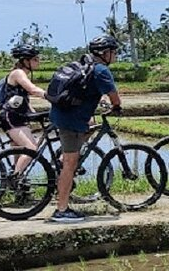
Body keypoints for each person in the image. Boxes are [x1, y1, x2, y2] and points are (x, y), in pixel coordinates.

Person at [49, 35, 121, 223]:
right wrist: (116, 107)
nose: (116, 55)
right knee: (70, 165)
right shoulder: (102, 70)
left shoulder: (86, 64)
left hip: (63, 115)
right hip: (70, 120)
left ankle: (61, 160)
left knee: (88, 129)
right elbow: (115, 97)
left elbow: (93, 90)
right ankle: (61, 210)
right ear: (105, 53)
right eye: (114, 52)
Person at [0, 44, 46, 173]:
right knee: (31, 148)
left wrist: (34, 114)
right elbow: (33, 90)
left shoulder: (22, 73)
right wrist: (52, 96)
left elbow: (24, 98)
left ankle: (17, 178)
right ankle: (15, 179)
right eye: (35, 59)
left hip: (19, 117)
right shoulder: (18, 73)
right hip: (12, 117)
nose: (38, 61)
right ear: (26, 61)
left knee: (19, 149)